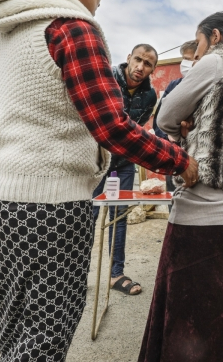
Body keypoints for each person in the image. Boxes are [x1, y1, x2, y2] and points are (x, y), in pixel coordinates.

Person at [0, 0, 198, 360]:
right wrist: (179, 160)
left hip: (4, 196)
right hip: (53, 206)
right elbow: (114, 127)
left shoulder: (4, 32)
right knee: (47, 330)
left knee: (14, 323)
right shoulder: (71, 27)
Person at [138, 12, 223, 362]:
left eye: (197, 44)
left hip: (203, 209)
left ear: (214, 37)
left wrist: (185, 131)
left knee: (190, 319)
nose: (195, 55)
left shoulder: (217, 61)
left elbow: (165, 116)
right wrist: (198, 126)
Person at [91, 43, 160, 296]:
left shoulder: (150, 96)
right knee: (88, 218)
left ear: (154, 68)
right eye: (138, 60)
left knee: (118, 219)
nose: (141, 67)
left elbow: (136, 132)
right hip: (95, 162)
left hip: (123, 165)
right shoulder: (106, 77)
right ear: (129, 58)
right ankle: (75, 276)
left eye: (148, 64)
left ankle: (115, 274)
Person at [152, 40, 197, 197]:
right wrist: (171, 141)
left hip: (197, 156)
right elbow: (158, 122)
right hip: (174, 155)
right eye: (185, 58)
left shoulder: (207, 87)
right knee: (174, 200)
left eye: (192, 59)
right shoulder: (174, 86)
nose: (187, 63)